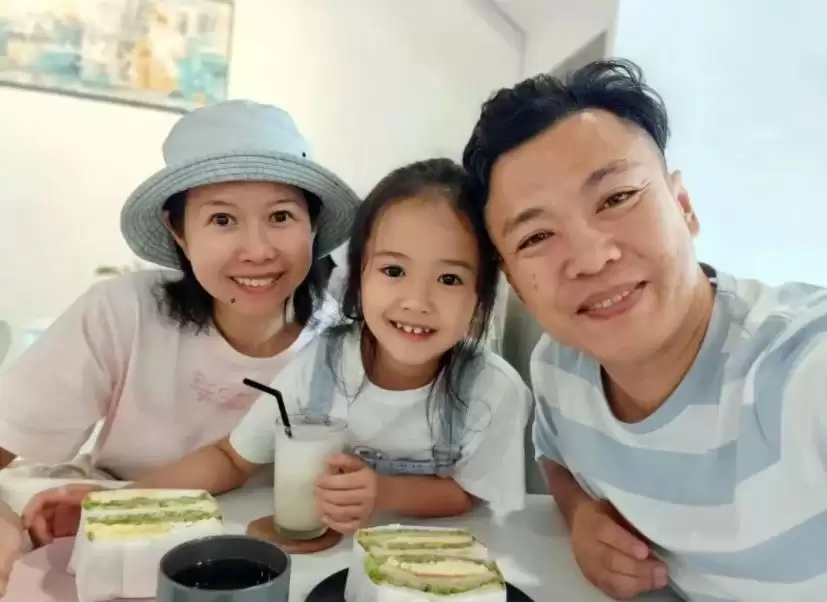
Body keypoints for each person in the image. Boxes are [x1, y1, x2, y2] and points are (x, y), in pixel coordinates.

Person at [461, 58, 827, 602]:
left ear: (683, 206)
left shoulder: (798, 369)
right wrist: (581, 515)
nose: (590, 258)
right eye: (536, 237)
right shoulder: (558, 367)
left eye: (616, 198)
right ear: (513, 279)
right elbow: (554, 457)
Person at [24, 158, 530, 543]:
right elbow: (232, 458)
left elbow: (468, 493)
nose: (416, 301)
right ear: (358, 278)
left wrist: (384, 491)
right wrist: (121, 503)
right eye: (393, 271)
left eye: (449, 279)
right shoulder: (322, 365)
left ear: (483, 296)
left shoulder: (493, 391)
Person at [0, 100, 360, 588]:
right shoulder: (122, 312)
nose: (257, 250)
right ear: (179, 230)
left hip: (275, 573)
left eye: (280, 216)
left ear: (312, 225)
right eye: (222, 220)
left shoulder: (347, 344)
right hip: (112, 552)